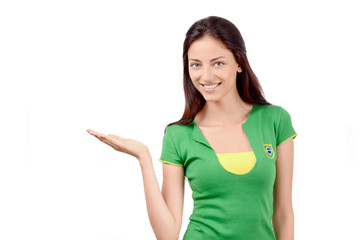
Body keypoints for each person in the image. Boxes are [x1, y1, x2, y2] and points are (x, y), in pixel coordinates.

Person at [87, 16, 297, 240]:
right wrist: (143, 157)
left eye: (218, 63)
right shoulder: (179, 135)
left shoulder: (275, 121)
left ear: (239, 63)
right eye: (196, 64)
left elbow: (283, 213)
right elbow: (167, 234)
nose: (206, 76)